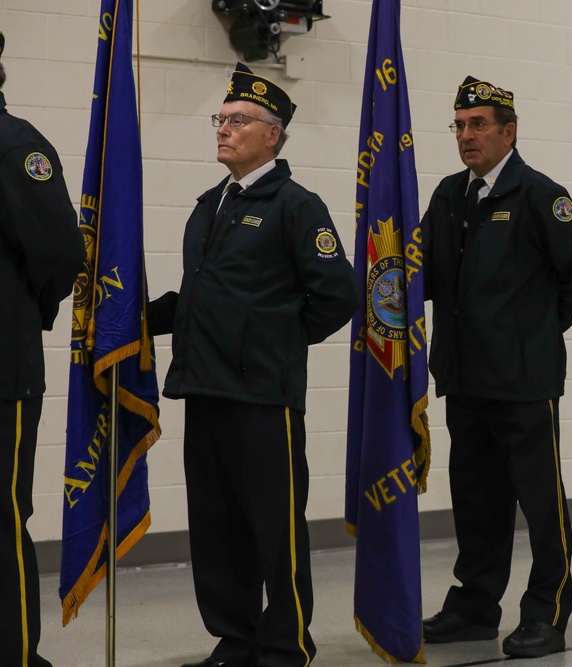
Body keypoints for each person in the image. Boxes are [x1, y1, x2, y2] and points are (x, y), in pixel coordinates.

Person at [147, 63, 359, 667]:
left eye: (238, 120)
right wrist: (135, 319)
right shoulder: (209, 206)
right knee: (217, 531)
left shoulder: (295, 205)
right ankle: (236, 638)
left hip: (264, 396)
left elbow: (338, 295)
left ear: (273, 134)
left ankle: (287, 644)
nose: (224, 129)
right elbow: (205, 297)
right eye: (221, 119)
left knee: (275, 532)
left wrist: (276, 342)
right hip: (206, 387)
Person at [420, 76, 572, 659]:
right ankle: (475, 606)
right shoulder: (449, 196)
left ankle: (547, 613)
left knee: (540, 502)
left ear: (509, 131)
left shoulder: (539, 195)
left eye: (478, 125)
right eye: (459, 125)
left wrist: (535, 332)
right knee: (475, 499)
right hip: (464, 377)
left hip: (523, 380)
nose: (466, 136)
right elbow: (425, 274)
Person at [0, 31, 86, 667]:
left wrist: (27, 313)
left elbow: (59, 253)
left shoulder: (16, 146)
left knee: (0, 526)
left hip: (2, 372)